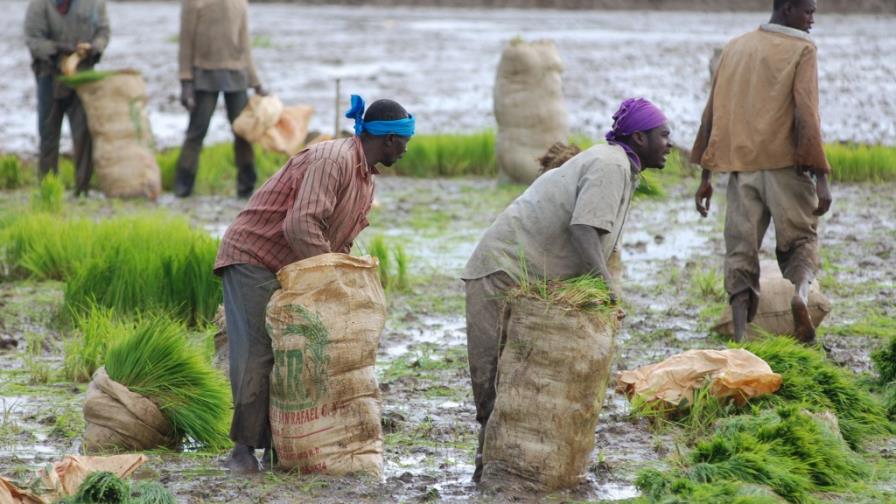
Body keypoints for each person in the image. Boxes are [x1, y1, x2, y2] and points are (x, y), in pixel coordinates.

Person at [462, 98, 672, 482]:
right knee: (494, 385)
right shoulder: (611, 165)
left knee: (521, 382)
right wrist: (606, 288)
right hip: (501, 270)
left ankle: (507, 472)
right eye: (664, 135)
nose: (670, 144)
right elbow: (583, 229)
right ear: (639, 137)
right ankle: (490, 476)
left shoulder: (621, 167)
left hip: (527, 277)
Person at [213, 95, 413, 473]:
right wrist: (326, 278)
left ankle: (280, 446)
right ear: (388, 139)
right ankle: (242, 451)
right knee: (260, 351)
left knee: (300, 353)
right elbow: (300, 224)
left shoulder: (365, 177)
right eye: (404, 141)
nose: (406, 149)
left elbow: (338, 238)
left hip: (291, 263)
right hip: (254, 256)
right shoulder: (333, 159)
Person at [691, 0, 832, 344]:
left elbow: (713, 111)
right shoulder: (802, 49)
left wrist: (706, 175)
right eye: (808, 11)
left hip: (742, 172)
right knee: (800, 240)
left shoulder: (735, 47)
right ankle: (799, 294)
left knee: (740, 251)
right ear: (787, 9)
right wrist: (821, 175)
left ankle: (740, 336)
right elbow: (806, 114)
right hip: (786, 168)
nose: (812, 19)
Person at [174, 0, 266, 198]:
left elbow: (245, 44)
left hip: (237, 75)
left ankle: (246, 189)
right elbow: (186, 41)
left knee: (243, 133)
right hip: (204, 75)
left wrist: (256, 83)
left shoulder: (240, 3)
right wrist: (186, 81)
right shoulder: (193, 3)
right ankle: (182, 188)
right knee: (196, 132)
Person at [24, 0, 110, 196]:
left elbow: (103, 31)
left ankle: (82, 189)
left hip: (81, 75)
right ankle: (48, 188)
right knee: (48, 134)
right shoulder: (40, 5)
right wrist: (59, 48)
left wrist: (95, 48)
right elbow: (33, 39)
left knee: (83, 134)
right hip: (50, 74)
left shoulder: (94, 4)